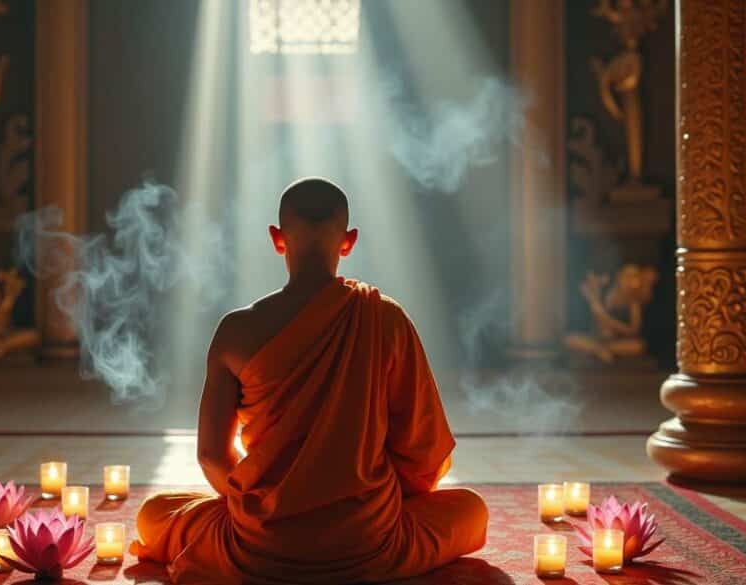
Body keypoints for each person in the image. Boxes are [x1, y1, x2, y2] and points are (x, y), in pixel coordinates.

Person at [131, 177, 488, 584]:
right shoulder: (385, 318)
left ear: (277, 239)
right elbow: (424, 456)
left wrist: (264, 514)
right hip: (368, 542)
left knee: (154, 514)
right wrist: (362, 506)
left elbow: (212, 457)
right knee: (470, 510)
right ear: (348, 241)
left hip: (259, 547)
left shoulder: (236, 331)